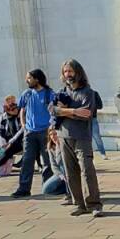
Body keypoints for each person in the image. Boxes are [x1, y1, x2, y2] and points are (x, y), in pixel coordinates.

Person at [51, 59, 103, 217]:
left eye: (70, 71)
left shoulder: (87, 92)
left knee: (87, 170)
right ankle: (79, 204)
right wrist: (73, 111)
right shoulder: (62, 92)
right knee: (70, 172)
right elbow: (52, 109)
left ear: (78, 72)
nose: (68, 74)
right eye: (65, 72)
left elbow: (86, 113)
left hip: (82, 137)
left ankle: (94, 204)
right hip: (63, 136)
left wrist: (63, 110)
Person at [11, 69, 55, 198]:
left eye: (29, 78)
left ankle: (48, 187)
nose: (27, 80)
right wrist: (24, 125)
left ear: (37, 79)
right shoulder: (27, 94)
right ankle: (24, 188)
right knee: (27, 161)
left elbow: (54, 111)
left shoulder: (49, 93)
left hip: (45, 132)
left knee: (47, 161)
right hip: (30, 132)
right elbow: (22, 110)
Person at [42, 128, 69, 199]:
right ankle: (65, 189)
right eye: (51, 135)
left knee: (63, 166)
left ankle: (70, 192)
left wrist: (59, 145)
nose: (53, 137)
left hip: (68, 170)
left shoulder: (65, 144)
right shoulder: (50, 146)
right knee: (46, 189)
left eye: (55, 134)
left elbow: (60, 160)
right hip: (60, 173)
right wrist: (60, 175)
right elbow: (54, 164)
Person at [90, 89, 108, 160]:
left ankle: (103, 153)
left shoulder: (94, 93)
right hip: (83, 119)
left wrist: (91, 106)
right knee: (85, 139)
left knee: (97, 137)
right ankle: (89, 155)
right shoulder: (79, 93)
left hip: (93, 118)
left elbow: (100, 105)